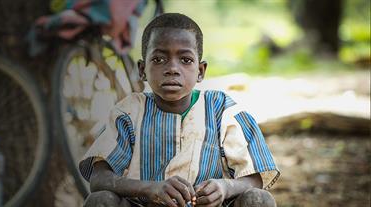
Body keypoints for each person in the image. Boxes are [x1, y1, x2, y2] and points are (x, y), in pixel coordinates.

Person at [79, 13, 280, 207]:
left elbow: (256, 177)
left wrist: (225, 187)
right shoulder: (129, 113)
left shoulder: (222, 111)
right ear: (142, 70)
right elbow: (99, 179)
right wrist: (150, 189)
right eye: (159, 59)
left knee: (258, 199)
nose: (172, 68)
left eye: (185, 60)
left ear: (200, 71)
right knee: (100, 201)